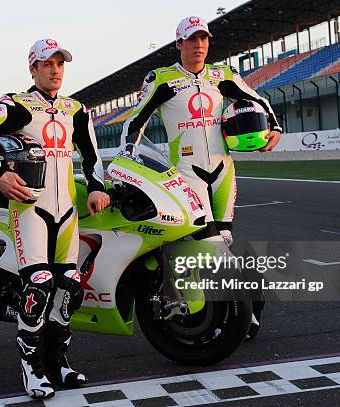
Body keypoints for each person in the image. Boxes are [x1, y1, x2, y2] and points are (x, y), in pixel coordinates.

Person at [0, 38, 110, 399]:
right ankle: (33, 368)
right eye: (47, 64)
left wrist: (96, 187)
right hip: (30, 210)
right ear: (33, 68)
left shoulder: (76, 109)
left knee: (69, 286)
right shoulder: (16, 104)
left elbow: (92, 156)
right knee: (39, 284)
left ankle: (58, 362)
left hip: (67, 211)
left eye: (60, 63)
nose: (55, 69)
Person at [120, 16, 282, 338]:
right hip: (185, 174)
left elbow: (258, 100)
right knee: (200, 245)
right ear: (179, 44)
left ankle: (246, 310)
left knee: (223, 243)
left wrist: (274, 129)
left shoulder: (223, 75)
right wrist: (126, 156)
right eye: (192, 39)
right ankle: (203, 312)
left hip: (224, 171)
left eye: (204, 39)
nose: (199, 45)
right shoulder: (162, 79)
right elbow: (134, 124)